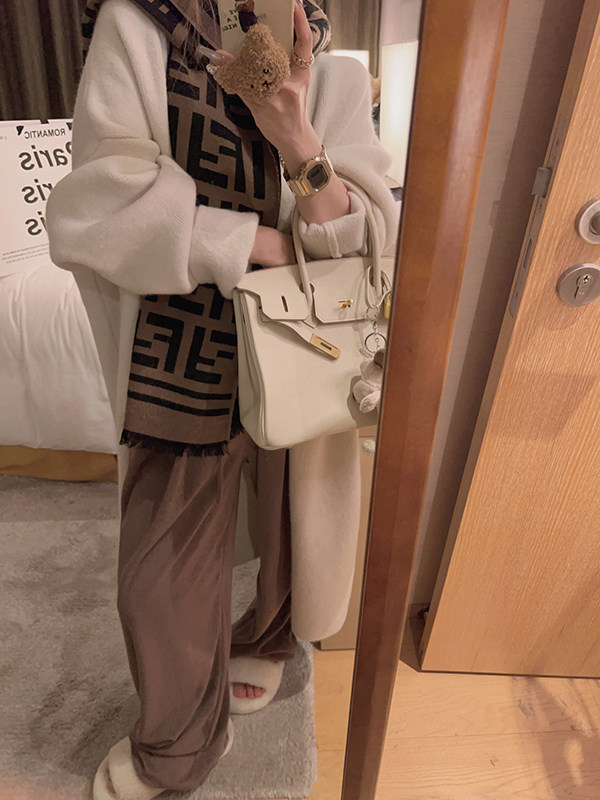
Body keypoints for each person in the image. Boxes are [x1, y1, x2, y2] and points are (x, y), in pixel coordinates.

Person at [46, 0, 398, 797]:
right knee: (157, 577)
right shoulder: (137, 29)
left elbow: (363, 237)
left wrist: (295, 134)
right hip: (179, 347)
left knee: (287, 520)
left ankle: (266, 638)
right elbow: (91, 207)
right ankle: (178, 746)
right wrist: (248, 242)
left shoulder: (330, 66)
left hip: (302, 346)